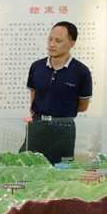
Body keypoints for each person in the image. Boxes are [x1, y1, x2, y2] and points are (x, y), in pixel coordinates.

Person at [20, 21, 92, 164]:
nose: (52, 44)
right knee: (26, 165)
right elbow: (34, 98)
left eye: (58, 41)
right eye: (50, 39)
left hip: (63, 128)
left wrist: (60, 111)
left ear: (71, 44)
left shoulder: (81, 71)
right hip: (37, 126)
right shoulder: (37, 67)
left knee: (61, 170)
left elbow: (83, 106)